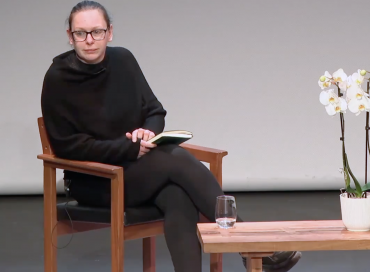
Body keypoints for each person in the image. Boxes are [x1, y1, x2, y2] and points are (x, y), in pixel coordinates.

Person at [40, 1, 301, 272]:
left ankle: (249, 247)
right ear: (70, 36)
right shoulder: (58, 78)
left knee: (177, 194)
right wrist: (126, 149)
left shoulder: (123, 60)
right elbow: (66, 146)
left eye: (97, 31)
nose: (90, 40)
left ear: (110, 32)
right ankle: (250, 244)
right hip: (94, 180)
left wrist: (148, 132)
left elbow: (154, 110)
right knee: (175, 158)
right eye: (81, 33)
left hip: (134, 170)